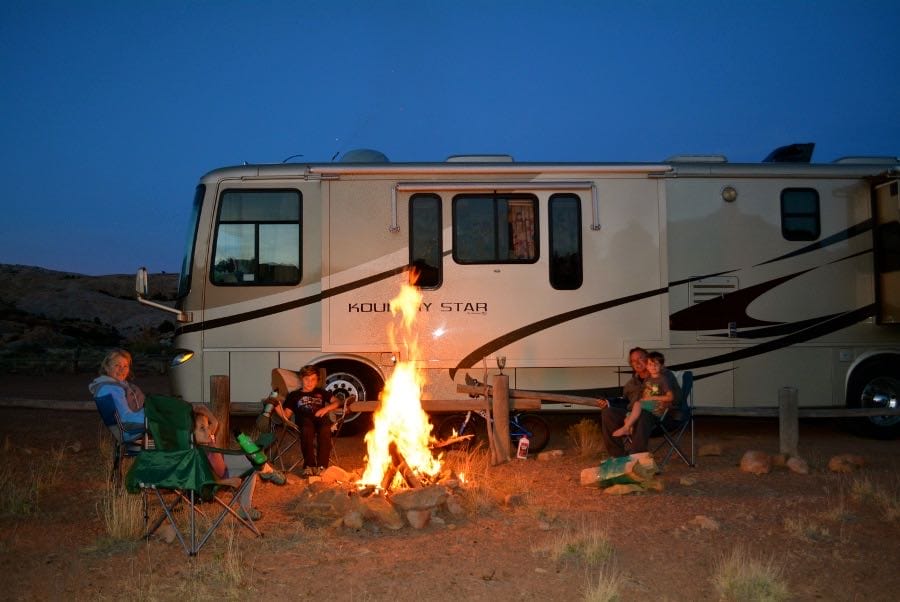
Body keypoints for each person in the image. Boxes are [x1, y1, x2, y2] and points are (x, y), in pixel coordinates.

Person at [191, 405, 286, 522]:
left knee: (251, 458)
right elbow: (204, 481)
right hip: (222, 476)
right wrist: (228, 481)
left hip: (224, 461)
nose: (208, 430)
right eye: (202, 428)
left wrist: (204, 410)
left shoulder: (208, 440)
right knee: (252, 467)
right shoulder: (196, 455)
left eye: (207, 426)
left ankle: (268, 472)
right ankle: (247, 506)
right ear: (191, 434)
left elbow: (215, 422)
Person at [278, 365, 341, 475]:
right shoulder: (294, 395)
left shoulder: (321, 392)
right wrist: (275, 405)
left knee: (325, 430)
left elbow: (337, 402)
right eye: (306, 379)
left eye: (313, 379)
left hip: (320, 418)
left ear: (317, 381)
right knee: (307, 429)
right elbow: (286, 415)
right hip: (304, 420)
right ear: (301, 379)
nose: (309, 382)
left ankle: (322, 466)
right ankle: (309, 465)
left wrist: (326, 409)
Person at [596, 347, 653, 457]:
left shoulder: (660, 377)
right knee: (608, 412)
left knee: (643, 413)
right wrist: (608, 402)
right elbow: (625, 403)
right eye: (633, 361)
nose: (637, 363)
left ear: (648, 358)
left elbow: (675, 398)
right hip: (631, 416)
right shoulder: (630, 384)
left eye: (640, 358)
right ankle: (617, 456)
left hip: (656, 416)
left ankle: (637, 457)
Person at [611, 351, 674, 438]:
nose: (653, 367)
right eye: (650, 365)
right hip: (647, 406)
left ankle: (626, 428)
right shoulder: (647, 380)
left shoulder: (663, 379)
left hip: (657, 407)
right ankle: (631, 432)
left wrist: (653, 398)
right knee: (628, 417)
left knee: (638, 404)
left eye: (656, 365)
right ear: (647, 366)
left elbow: (670, 397)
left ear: (662, 366)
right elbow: (642, 394)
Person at [88, 349, 146, 432]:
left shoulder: (121, 385)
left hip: (135, 422)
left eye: (125, 366)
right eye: (117, 365)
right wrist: (152, 418)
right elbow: (125, 418)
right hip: (130, 428)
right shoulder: (109, 388)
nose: (122, 370)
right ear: (107, 367)